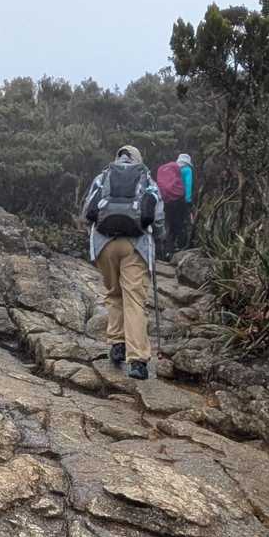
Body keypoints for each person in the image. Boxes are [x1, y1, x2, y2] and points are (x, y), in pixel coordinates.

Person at [81, 144, 163, 380]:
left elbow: (88, 211)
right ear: (138, 159)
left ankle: (117, 344)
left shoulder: (102, 177)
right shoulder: (146, 178)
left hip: (104, 244)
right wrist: (159, 237)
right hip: (135, 245)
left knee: (114, 293)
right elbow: (157, 215)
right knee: (134, 300)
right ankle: (137, 361)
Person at [155, 152, 195, 259]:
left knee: (169, 224)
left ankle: (167, 250)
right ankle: (181, 249)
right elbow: (188, 185)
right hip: (180, 200)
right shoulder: (187, 169)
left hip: (167, 200)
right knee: (180, 224)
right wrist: (188, 200)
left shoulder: (173, 169)